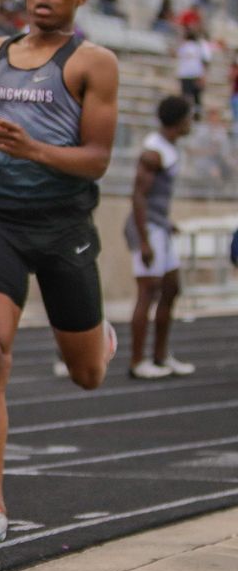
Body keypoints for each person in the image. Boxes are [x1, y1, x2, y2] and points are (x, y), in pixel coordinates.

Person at [0, 0, 119, 545]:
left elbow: (97, 161)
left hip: (64, 227)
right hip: (0, 221)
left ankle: (97, 337)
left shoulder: (92, 63)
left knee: (88, 376)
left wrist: (35, 151)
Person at [125, 95, 194, 380]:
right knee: (148, 291)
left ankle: (161, 355)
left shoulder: (169, 147)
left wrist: (166, 222)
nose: (192, 122)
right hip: (147, 228)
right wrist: (144, 239)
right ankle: (138, 360)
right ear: (179, 121)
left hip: (159, 225)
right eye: (189, 116)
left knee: (171, 287)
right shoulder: (153, 152)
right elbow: (139, 196)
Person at [176, 29, 210, 119]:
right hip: (195, 75)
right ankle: (194, 116)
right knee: (195, 98)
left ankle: (187, 115)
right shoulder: (199, 47)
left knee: (188, 96)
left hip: (188, 75)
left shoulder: (185, 46)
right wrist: (203, 75)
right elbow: (205, 62)